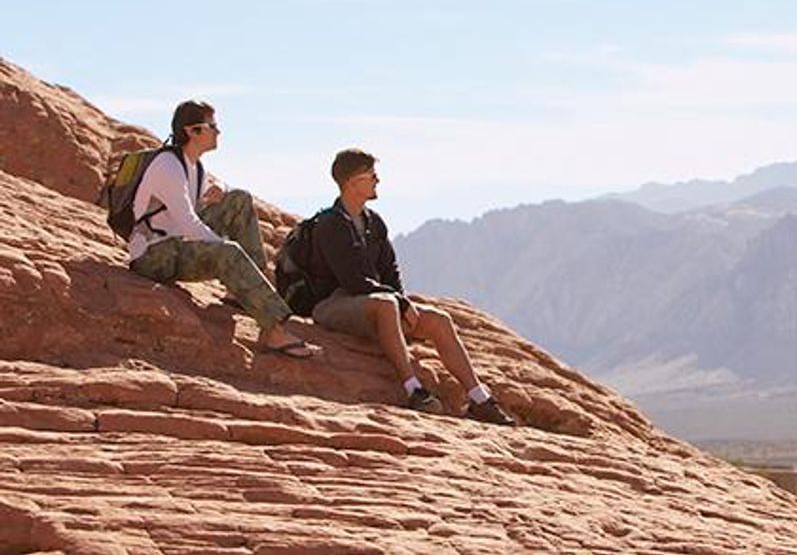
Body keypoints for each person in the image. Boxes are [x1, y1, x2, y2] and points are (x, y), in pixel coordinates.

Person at [308, 148, 514, 425]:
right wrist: (397, 301)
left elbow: (390, 270)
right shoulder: (330, 224)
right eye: (371, 176)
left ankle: (480, 398)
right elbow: (352, 281)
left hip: (370, 303)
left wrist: (400, 300)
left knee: (439, 320)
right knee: (387, 305)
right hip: (332, 304)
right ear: (352, 182)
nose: (377, 180)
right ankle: (413, 389)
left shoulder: (373, 222)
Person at [128, 100, 318, 358]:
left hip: (174, 244)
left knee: (239, 200)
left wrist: (222, 190)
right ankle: (274, 331)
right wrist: (227, 251)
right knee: (228, 252)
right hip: (153, 256)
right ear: (192, 131)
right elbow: (188, 223)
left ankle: (241, 293)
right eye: (212, 126)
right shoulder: (168, 166)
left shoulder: (193, 166)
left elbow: (210, 199)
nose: (218, 132)